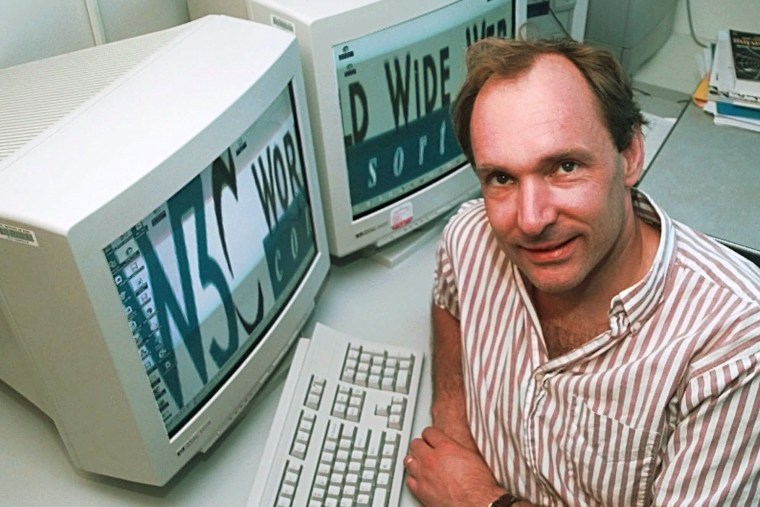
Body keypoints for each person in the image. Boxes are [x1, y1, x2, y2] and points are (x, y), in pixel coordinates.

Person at [402, 37, 760, 506]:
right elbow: (449, 303)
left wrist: (478, 499)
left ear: (630, 154)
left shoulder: (734, 342)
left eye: (564, 167)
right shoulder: (470, 236)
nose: (531, 220)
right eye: (502, 178)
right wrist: (452, 419)